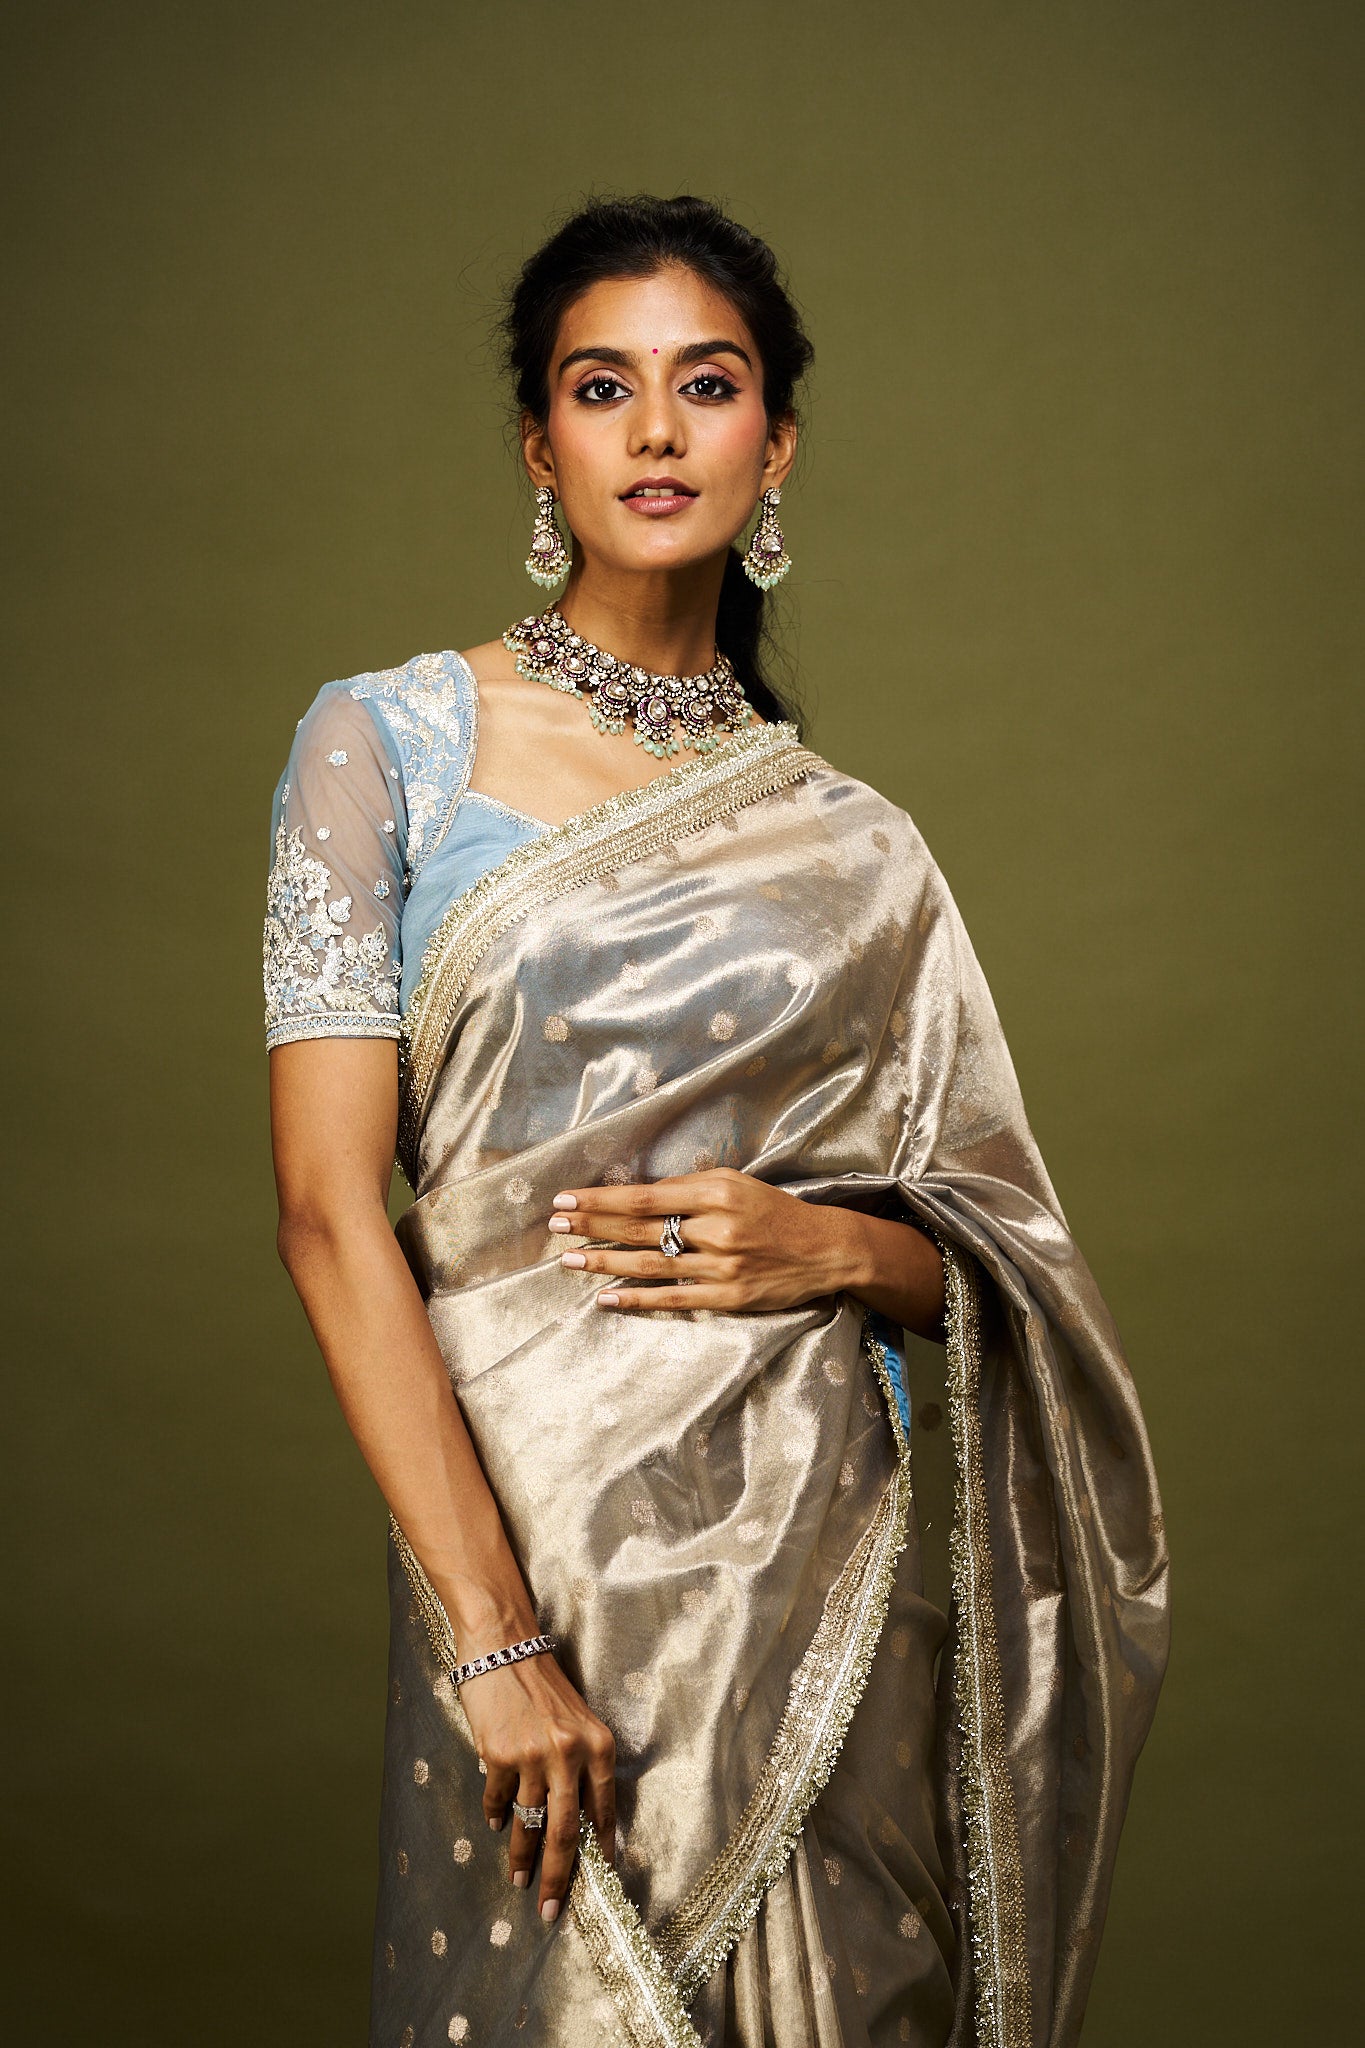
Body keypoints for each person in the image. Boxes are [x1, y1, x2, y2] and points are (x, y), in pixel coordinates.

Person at [263, 194, 1169, 2048]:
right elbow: (328, 1214)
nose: (657, 430)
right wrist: (497, 1643)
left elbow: (1000, 1263)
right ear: (540, 446)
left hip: (819, 1586)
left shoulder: (856, 844)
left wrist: (831, 1246)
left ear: (777, 444)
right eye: (602, 388)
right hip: (525, 1555)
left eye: (709, 383)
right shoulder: (387, 746)